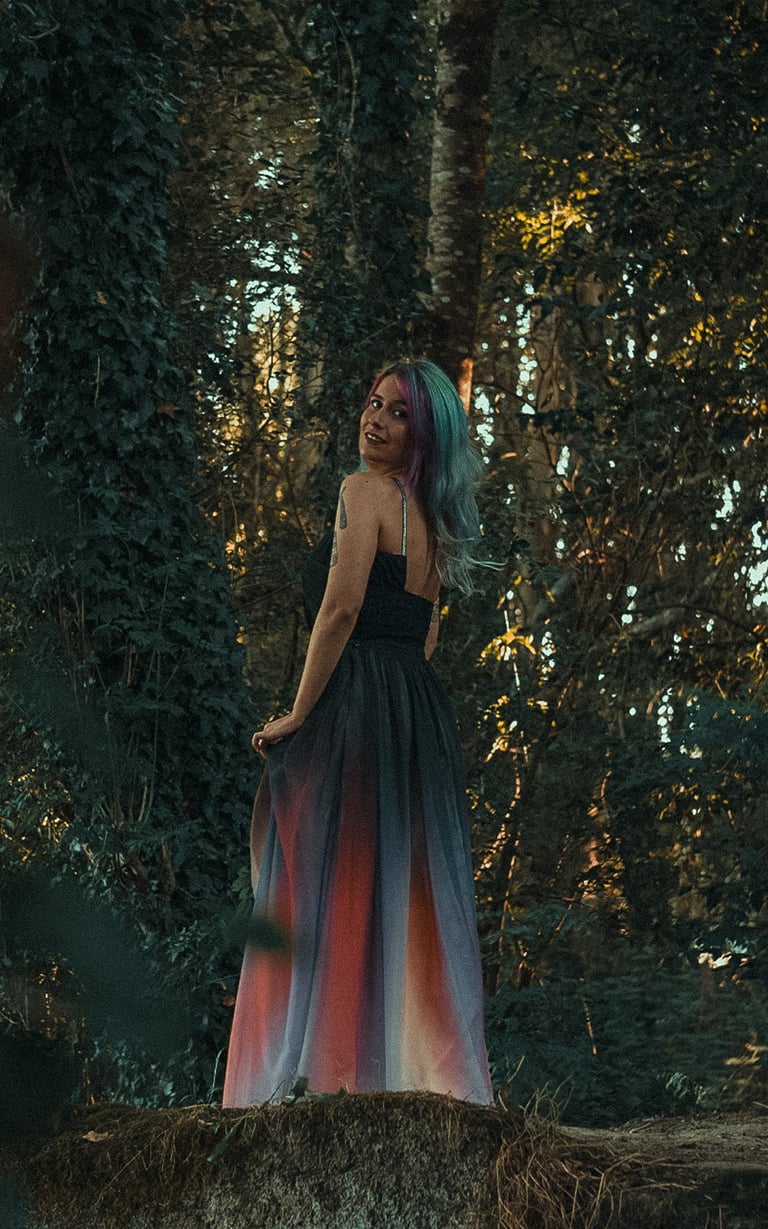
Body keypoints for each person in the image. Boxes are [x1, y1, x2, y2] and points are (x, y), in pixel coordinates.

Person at [222, 358, 494, 1107]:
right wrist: (396, 698)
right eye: (374, 403)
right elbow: (425, 636)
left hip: (359, 701)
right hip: (416, 712)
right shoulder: (434, 518)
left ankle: (315, 1070)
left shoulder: (362, 492)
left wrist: (300, 712)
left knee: (325, 870)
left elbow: (340, 610)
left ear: (424, 434)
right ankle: (395, 1073)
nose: (376, 419)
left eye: (399, 413)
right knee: (399, 887)